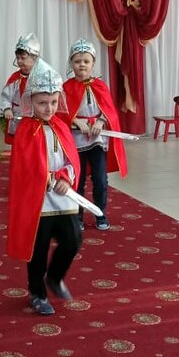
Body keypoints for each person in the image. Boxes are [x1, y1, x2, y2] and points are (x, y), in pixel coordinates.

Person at [6, 58, 81, 316]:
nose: (48, 108)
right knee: (37, 250)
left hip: (63, 196)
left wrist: (66, 176)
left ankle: (55, 277)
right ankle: (37, 292)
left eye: (52, 102)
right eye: (41, 103)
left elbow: (72, 158)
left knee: (73, 240)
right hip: (38, 201)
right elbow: (25, 168)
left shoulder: (61, 125)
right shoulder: (26, 130)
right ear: (30, 101)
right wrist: (48, 178)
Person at [59, 39, 128, 231]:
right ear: (71, 63)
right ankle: (78, 216)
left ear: (93, 63)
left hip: (97, 140)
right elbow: (60, 112)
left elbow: (109, 111)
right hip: (76, 140)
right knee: (77, 179)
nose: (82, 64)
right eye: (77, 61)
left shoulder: (100, 86)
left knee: (99, 178)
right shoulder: (66, 87)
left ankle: (100, 213)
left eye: (86, 61)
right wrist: (75, 121)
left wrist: (100, 121)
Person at [1, 33, 40, 145]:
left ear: (34, 58)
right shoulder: (15, 79)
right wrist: (7, 109)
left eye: (23, 58)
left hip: (35, 118)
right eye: (18, 58)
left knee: (34, 144)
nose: (19, 61)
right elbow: (6, 97)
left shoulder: (41, 78)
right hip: (18, 117)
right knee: (19, 144)